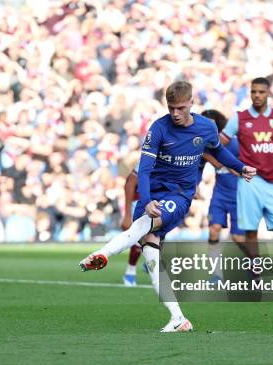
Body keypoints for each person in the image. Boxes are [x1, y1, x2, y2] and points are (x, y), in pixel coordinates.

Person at [79, 81, 256, 332]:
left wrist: (240, 168)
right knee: (151, 255)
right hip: (154, 194)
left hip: (180, 195)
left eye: (180, 108)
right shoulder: (158, 129)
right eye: (171, 107)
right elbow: (144, 169)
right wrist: (148, 199)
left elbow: (218, 152)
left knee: (143, 226)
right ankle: (178, 318)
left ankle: (103, 254)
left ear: (191, 103)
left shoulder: (207, 127)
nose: (175, 113)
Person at [222, 77, 273, 285]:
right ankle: (256, 274)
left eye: (261, 92)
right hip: (249, 181)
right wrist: (231, 166)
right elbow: (219, 143)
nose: (257, 95)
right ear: (250, 93)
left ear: (268, 93)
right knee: (250, 231)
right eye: (254, 92)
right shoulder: (239, 118)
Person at [200, 109, 246, 281]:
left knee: (238, 238)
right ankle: (216, 274)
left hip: (238, 196)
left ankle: (254, 265)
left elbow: (246, 165)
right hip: (219, 194)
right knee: (214, 231)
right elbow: (202, 157)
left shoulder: (234, 144)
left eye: (211, 123)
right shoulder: (204, 145)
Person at [119, 163, 143, 287]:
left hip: (161, 200)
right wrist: (127, 215)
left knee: (159, 235)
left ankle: (152, 261)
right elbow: (130, 182)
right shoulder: (152, 155)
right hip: (141, 202)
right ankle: (130, 273)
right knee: (139, 238)